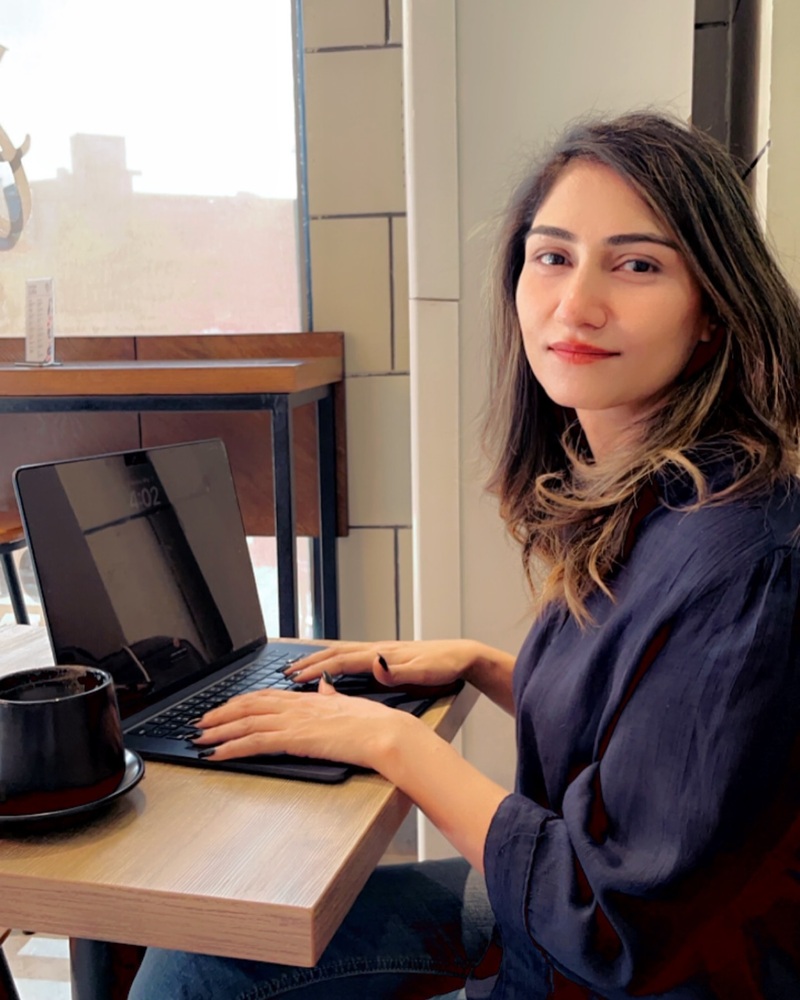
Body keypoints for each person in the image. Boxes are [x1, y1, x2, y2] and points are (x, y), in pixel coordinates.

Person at [129, 111, 800, 999]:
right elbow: (655, 738)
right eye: (552, 256)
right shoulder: (655, 498)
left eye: (637, 265)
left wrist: (392, 741)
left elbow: (609, 919)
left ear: (712, 310)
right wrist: (484, 665)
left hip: (606, 964)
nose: (575, 304)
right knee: (197, 952)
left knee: (193, 977)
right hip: (553, 933)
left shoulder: (746, 560)